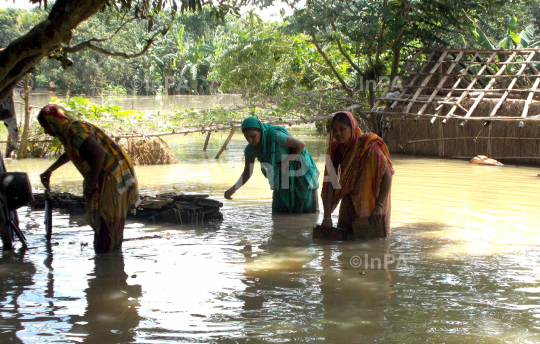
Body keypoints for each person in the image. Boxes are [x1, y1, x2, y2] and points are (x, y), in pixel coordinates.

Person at [38, 104, 140, 253]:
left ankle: (108, 262)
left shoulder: (75, 131)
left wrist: (92, 183)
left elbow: (99, 153)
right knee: (103, 221)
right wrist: (50, 170)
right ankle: (107, 260)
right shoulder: (69, 133)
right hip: (105, 175)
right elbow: (70, 152)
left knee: (107, 221)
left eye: (45, 127)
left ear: (53, 123)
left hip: (111, 176)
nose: (46, 132)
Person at [224, 117, 319, 213]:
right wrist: (233, 189)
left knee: (305, 208)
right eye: (246, 137)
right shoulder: (250, 150)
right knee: (280, 210)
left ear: (260, 130)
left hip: (300, 169)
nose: (250, 140)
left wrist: (284, 163)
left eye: (253, 136)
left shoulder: (276, 136)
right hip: (282, 174)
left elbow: (300, 145)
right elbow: (247, 172)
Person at [321, 111, 394, 235]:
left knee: (374, 241)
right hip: (349, 197)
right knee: (345, 238)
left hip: (373, 200)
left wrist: (379, 206)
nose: (338, 133)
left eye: (342, 129)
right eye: (334, 130)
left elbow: (387, 175)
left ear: (352, 127)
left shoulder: (369, 145)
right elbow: (330, 183)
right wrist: (327, 217)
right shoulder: (335, 150)